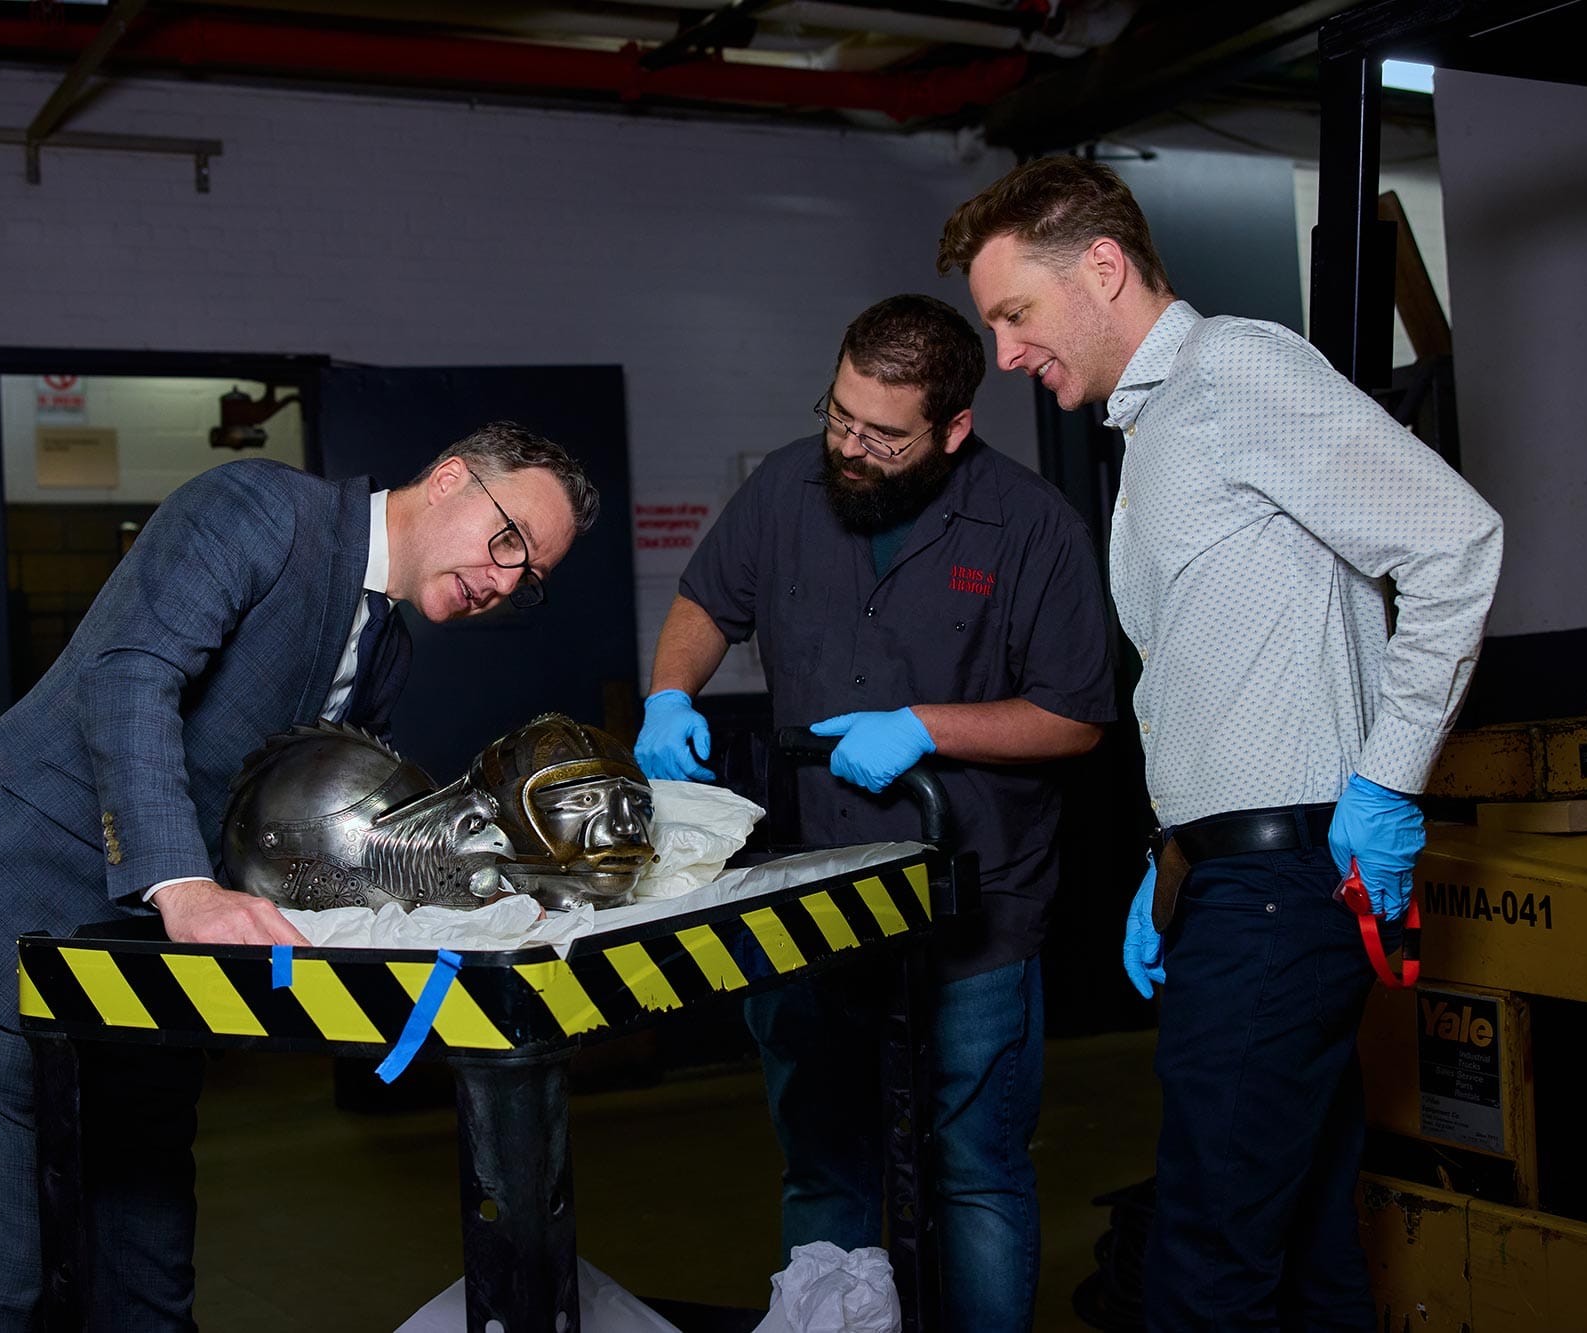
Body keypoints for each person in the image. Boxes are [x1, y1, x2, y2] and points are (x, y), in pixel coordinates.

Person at [939, 155, 1504, 1330]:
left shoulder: (1232, 371)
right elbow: (1216, 681)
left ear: (1101, 269)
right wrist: (1170, 858)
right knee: (1302, 1243)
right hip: (1238, 879)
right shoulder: (1154, 433)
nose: (1002, 355)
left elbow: (1452, 544)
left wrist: (1386, 781)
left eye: (1012, 315)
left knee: (1204, 1254)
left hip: (1278, 888)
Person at [0, 423, 598, 1331]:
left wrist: (476, 888)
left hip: (155, 956)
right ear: (450, 478)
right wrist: (183, 885)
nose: (503, 582)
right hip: (11, 900)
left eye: (528, 580)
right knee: (12, 1262)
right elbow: (129, 676)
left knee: (148, 1252)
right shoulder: (258, 508)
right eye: (508, 542)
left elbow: (318, 832)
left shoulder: (389, 651)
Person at [635, 294, 1115, 1331]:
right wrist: (669, 692)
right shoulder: (784, 490)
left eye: (881, 436)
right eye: (838, 416)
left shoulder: (1033, 530)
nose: (848, 448)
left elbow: (1073, 719)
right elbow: (705, 602)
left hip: (974, 913)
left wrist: (924, 726)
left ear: (950, 430)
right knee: (823, 1163)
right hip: (814, 901)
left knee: (974, 1171)